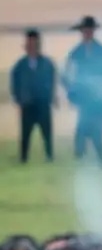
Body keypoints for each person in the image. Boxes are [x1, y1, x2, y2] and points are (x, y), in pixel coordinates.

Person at [63, 15, 102, 165]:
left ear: (93, 31)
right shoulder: (75, 53)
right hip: (84, 100)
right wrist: (72, 93)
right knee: (82, 131)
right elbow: (66, 76)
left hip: (99, 100)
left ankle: (101, 161)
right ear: (82, 32)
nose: (87, 33)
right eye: (85, 30)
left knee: (96, 132)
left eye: (89, 30)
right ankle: (83, 159)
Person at [9, 29, 57, 163]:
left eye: (34, 42)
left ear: (38, 44)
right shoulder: (20, 65)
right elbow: (14, 83)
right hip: (27, 105)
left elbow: (52, 81)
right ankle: (23, 158)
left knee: (47, 133)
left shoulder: (47, 64)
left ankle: (50, 157)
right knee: (25, 134)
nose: (31, 45)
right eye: (29, 42)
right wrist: (18, 99)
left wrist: (50, 97)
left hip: (43, 105)